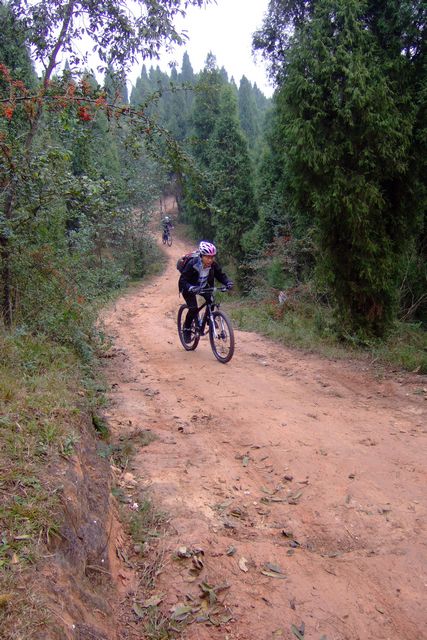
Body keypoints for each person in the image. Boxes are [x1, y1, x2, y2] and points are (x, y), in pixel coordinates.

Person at [178, 241, 233, 343]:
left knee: (211, 300)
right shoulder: (192, 264)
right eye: (207, 257)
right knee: (193, 309)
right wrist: (191, 287)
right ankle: (187, 328)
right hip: (189, 288)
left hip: (203, 286)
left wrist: (228, 282)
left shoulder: (213, 265)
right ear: (201, 256)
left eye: (212, 257)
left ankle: (209, 318)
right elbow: (183, 280)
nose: (210, 260)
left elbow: (220, 275)